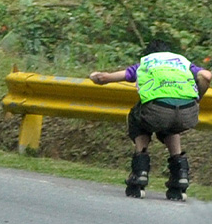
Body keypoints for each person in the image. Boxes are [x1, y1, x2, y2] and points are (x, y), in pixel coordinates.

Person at [89, 39, 212, 199]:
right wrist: (196, 100)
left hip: (157, 111)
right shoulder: (182, 62)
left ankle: (140, 173)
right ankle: (180, 176)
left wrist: (94, 76)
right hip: (188, 114)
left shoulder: (146, 62)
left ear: (149, 53)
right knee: (170, 125)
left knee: (137, 117)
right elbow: (206, 76)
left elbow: (104, 78)